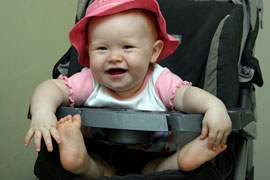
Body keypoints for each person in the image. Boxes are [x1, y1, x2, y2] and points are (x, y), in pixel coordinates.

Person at [24, 0, 232, 178]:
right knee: (96, 168)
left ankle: (183, 159)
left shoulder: (159, 80)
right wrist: (43, 111)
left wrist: (214, 107)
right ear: (88, 52)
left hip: (156, 158)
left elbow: (187, 95)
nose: (114, 57)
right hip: (103, 154)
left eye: (127, 47)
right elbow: (51, 88)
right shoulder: (89, 80)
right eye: (102, 48)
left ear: (153, 52)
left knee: (159, 169)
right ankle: (79, 161)